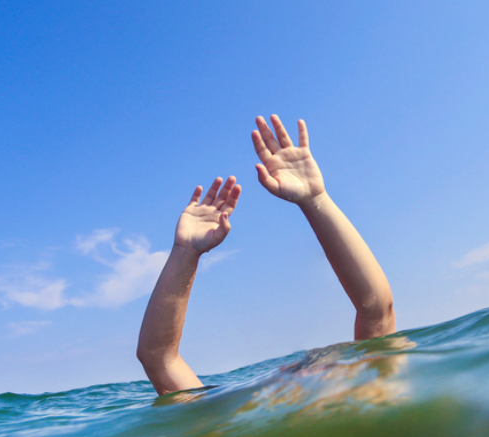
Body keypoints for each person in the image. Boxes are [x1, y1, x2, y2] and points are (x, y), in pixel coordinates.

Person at [137, 116, 395, 395]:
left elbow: (378, 310)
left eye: (310, 371)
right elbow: (159, 359)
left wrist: (315, 199)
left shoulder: (363, 395)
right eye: (301, 371)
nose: (303, 371)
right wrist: (185, 252)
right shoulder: (231, 418)